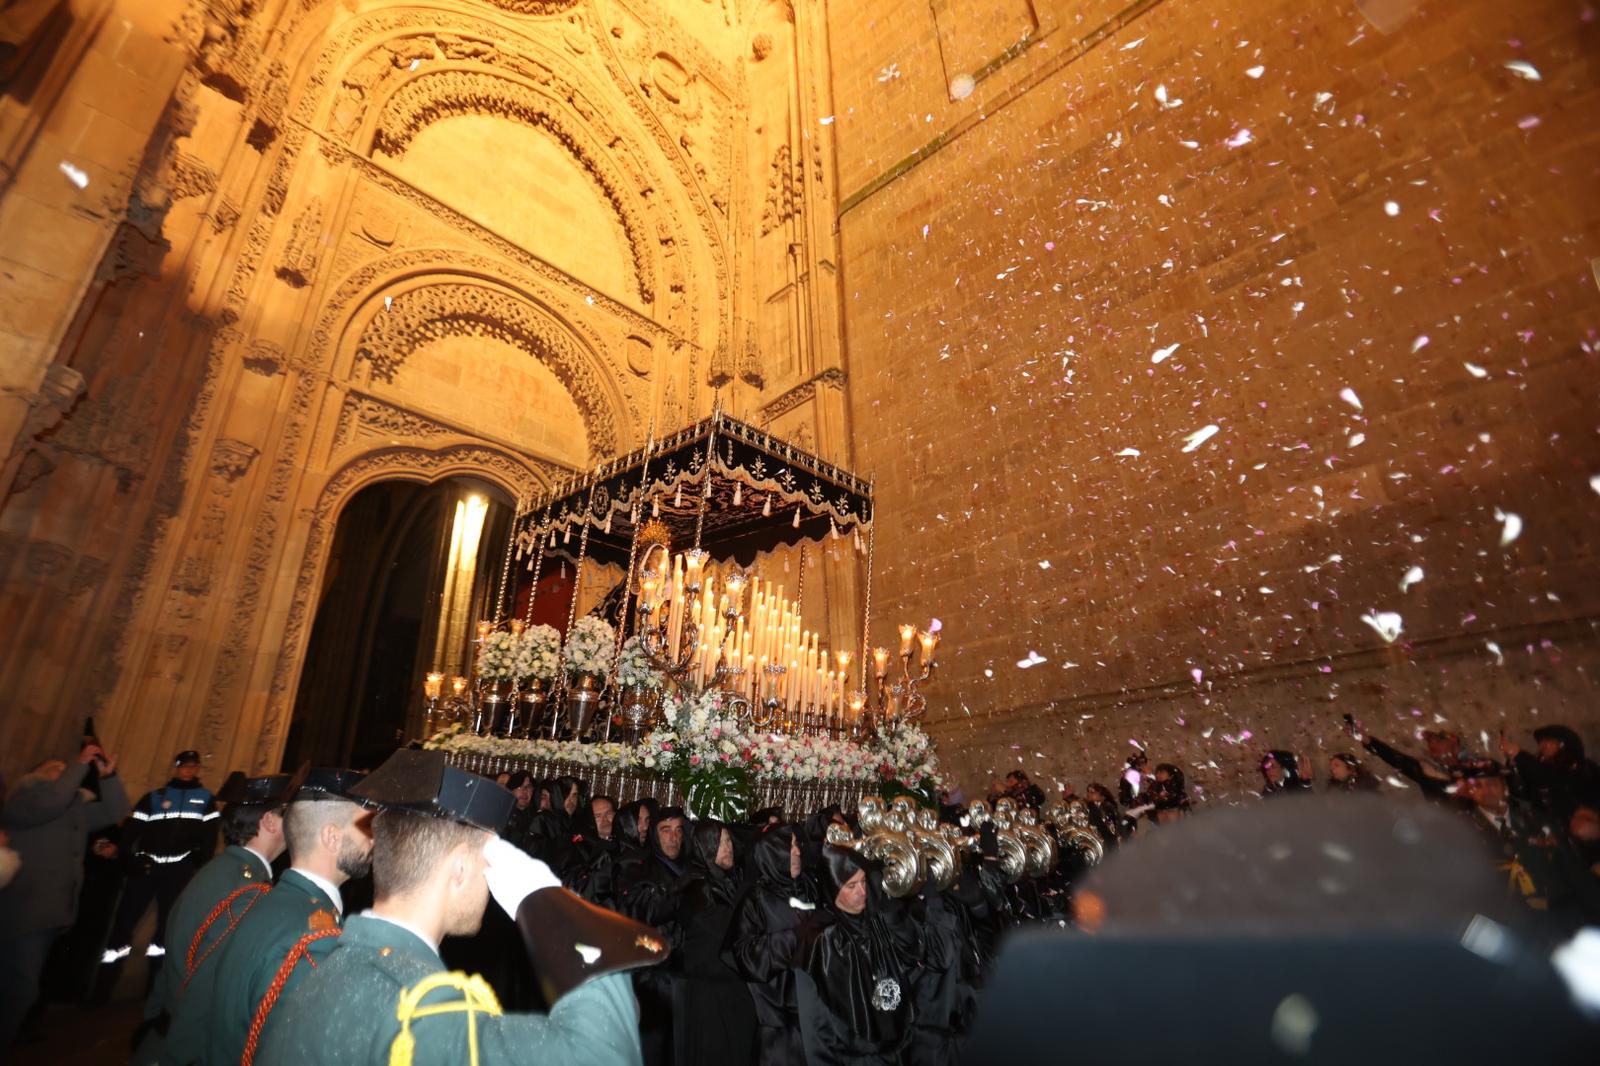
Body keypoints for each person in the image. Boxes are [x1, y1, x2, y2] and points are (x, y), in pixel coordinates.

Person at [251, 749, 665, 1066]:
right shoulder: (427, 1008)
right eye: (489, 860)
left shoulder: (326, 968)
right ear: (463, 867)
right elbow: (604, 1054)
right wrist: (546, 899)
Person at [163, 769, 371, 1066]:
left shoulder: (269, 899)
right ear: (331, 836)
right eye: (365, 825)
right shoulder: (307, 933)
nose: (373, 839)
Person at [135, 772, 293, 1065]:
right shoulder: (250, 891)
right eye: (287, 815)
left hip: (166, 1034)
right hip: (189, 1047)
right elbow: (209, 987)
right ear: (270, 821)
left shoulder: (219, 869)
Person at [0, 742, 129, 1050]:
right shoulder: (24, 800)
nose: (61, 772)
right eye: (53, 769)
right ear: (35, 775)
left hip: (48, 911)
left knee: (22, 984)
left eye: (64, 768)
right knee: (20, 986)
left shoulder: (74, 810)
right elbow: (51, 801)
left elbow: (115, 811)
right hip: (22, 906)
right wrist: (78, 764)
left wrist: (108, 778)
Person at [97, 750, 219, 1000]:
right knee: (123, 924)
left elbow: (210, 836)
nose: (188, 770)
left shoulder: (206, 799)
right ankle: (102, 988)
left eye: (192, 766)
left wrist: (197, 864)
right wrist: (128, 859)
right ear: (176, 768)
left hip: (178, 870)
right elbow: (132, 830)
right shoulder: (155, 797)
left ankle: (153, 992)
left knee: (166, 931)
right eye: (184, 766)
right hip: (148, 867)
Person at [794, 847, 915, 1064]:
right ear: (833, 888)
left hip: (896, 1050)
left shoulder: (875, 920)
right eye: (851, 885)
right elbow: (821, 1021)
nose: (862, 892)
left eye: (863, 882)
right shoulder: (823, 939)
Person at [726, 825, 815, 1066]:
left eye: (798, 845)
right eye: (790, 847)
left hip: (815, 1024)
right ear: (774, 853)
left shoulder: (810, 888)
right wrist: (793, 939)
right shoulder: (755, 899)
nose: (797, 852)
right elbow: (745, 956)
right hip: (779, 1029)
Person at [674, 819, 757, 1064]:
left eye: (728, 840)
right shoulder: (696, 887)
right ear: (705, 847)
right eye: (720, 843)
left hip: (728, 989)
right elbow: (722, 933)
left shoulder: (725, 880)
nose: (728, 847)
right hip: (710, 994)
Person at [1347, 717, 1461, 803]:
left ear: (1454, 743)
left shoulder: (1471, 768)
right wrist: (1364, 737)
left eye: (1437, 741)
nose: (1432, 747)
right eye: (1430, 743)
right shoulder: (1427, 771)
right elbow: (1392, 757)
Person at [1502, 725, 1600, 822]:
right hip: (1551, 828)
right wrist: (1513, 770)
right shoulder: (1539, 767)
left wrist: (1519, 755)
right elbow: (1525, 793)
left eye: (1548, 740)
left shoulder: (1583, 767)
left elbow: (1553, 779)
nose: (1542, 745)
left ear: (1563, 743)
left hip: (1584, 824)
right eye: (1541, 742)